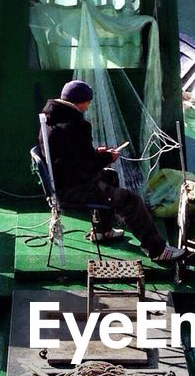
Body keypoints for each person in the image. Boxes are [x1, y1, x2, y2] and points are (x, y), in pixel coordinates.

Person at [39, 80, 184, 262]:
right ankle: (157, 250)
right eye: (87, 102)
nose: (88, 106)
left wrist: (95, 153)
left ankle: (102, 231)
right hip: (73, 188)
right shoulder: (77, 126)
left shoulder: (50, 120)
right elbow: (87, 166)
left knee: (110, 176)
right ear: (80, 102)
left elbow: (70, 157)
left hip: (62, 181)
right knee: (130, 200)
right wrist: (108, 157)